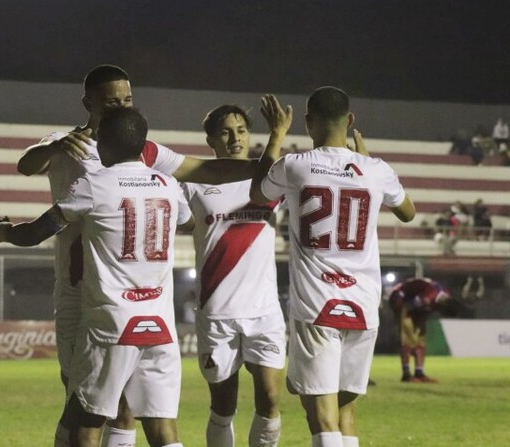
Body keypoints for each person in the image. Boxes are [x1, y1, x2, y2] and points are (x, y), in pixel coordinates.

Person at [17, 64, 285, 447]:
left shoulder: (139, 148)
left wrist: (266, 165)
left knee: (121, 405)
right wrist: (54, 146)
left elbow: (206, 170)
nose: (120, 106)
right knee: (81, 402)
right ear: (87, 103)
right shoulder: (68, 143)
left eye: (127, 99)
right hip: (80, 290)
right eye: (111, 101)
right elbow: (26, 164)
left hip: (130, 295)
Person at [0, 107, 194, 447]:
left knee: (86, 422)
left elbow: (37, 232)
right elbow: (188, 222)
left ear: (104, 144)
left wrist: (3, 232)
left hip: (112, 321)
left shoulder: (95, 185)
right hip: (159, 323)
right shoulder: (167, 184)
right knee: (162, 429)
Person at [250, 87, 416, 447]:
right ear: (351, 120)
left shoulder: (295, 165)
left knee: (321, 414)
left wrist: (276, 135)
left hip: (318, 303)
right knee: (344, 412)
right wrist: (367, 161)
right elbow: (408, 212)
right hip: (363, 304)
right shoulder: (376, 169)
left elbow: (258, 195)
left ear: (308, 122)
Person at [180, 103, 291, 447]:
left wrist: (278, 134)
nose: (235, 138)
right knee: (223, 406)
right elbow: (181, 223)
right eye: (226, 132)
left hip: (265, 311)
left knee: (271, 399)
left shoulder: (270, 179)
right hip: (217, 312)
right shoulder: (194, 183)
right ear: (211, 139)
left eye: (241, 130)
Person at [388, 277, 451, 383]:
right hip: (401, 300)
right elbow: (409, 306)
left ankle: (419, 373)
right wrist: (405, 325)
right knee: (407, 340)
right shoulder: (430, 295)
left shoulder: (442, 296)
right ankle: (406, 374)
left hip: (415, 306)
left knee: (420, 340)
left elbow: (425, 310)